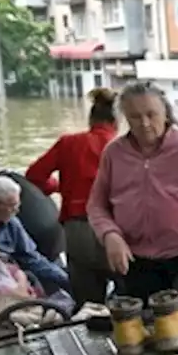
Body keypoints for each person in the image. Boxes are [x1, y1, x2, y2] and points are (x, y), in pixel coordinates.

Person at [87, 81, 178, 321]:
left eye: (151, 114)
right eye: (135, 117)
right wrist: (110, 235)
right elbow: (97, 205)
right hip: (136, 263)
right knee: (142, 336)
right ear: (124, 117)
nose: (144, 124)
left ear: (165, 113)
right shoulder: (114, 154)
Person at [26, 86, 119, 306]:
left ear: (91, 118)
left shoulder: (69, 143)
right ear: (117, 121)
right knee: (128, 300)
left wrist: (59, 187)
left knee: (87, 304)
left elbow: (34, 176)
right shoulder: (122, 146)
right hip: (117, 230)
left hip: (77, 228)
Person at [0, 175, 73, 299]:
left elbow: (31, 258)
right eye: (11, 206)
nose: (16, 210)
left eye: (17, 204)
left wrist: (67, 280)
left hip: (10, 279)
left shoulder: (12, 223)